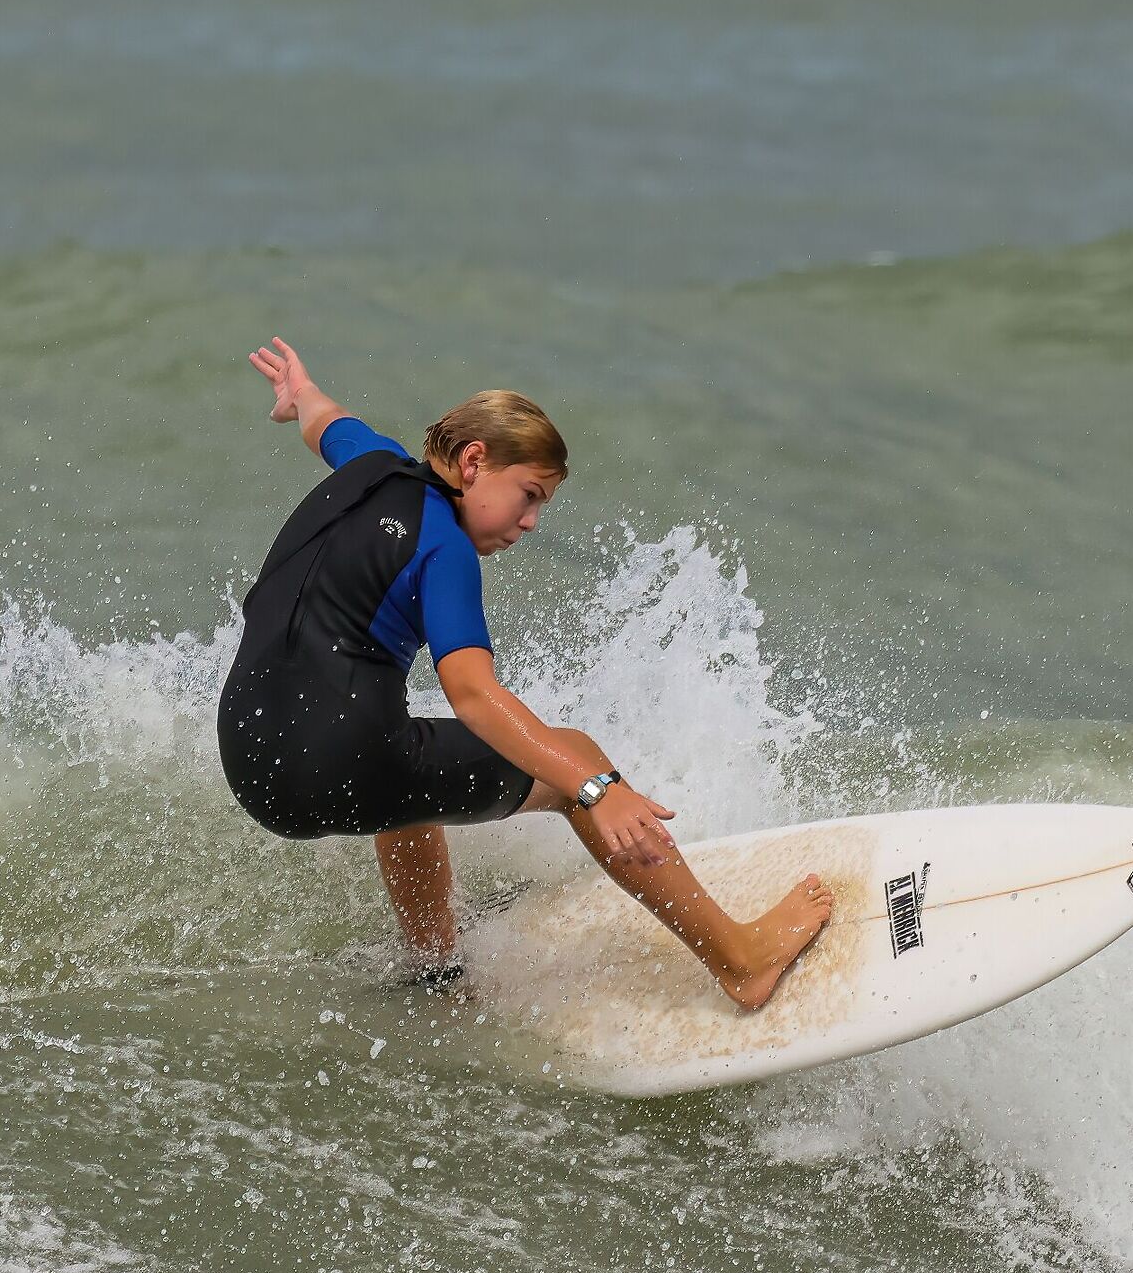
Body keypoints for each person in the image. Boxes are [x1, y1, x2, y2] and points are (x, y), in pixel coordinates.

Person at [217, 337, 833, 1009]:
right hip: (337, 767)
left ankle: (435, 969)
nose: (532, 522)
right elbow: (475, 697)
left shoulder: (371, 462)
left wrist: (301, 394)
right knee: (576, 756)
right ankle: (740, 961)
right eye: (529, 495)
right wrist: (596, 790)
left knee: (408, 763)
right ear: (474, 461)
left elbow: (327, 422)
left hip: (250, 757)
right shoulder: (445, 550)